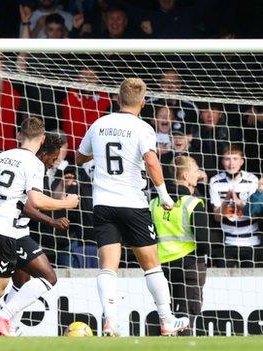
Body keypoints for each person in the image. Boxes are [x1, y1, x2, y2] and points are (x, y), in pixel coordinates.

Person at [75, 77, 189, 336]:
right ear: (143, 102)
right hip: (133, 204)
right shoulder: (142, 128)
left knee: (108, 266)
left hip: (103, 204)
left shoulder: (99, 124)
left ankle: (110, 321)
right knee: (151, 265)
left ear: (117, 99)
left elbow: (80, 156)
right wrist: (164, 195)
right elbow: (151, 162)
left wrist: (99, 152)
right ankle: (166, 319)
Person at [0, 117, 79, 337]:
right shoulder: (33, 163)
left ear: (20, 135)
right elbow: (35, 201)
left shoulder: (1, 156)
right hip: (4, 231)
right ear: (42, 138)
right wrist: (67, 203)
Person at [0, 132, 70, 335]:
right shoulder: (32, 165)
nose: (54, 163)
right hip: (12, 233)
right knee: (49, 277)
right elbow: (28, 206)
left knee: (19, 282)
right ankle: (3, 316)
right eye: (53, 158)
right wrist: (55, 217)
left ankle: (9, 327)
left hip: (9, 229)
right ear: (44, 152)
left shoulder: (13, 159)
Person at [151, 156, 209, 335]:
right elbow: (204, 240)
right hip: (189, 264)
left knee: (167, 315)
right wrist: (202, 256)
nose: (198, 174)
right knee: (187, 313)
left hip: (162, 266)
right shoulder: (192, 203)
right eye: (195, 170)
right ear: (184, 175)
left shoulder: (153, 203)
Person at [208, 145, 261, 268]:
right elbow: (216, 217)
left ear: (242, 161)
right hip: (227, 242)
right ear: (222, 161)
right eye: (227, 159)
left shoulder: (252, 180)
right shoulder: (215, 181)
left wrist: (238, 202)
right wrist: (226, 200)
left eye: (235, 159)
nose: (231, 163)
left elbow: (254, 213)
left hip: (251, 242)